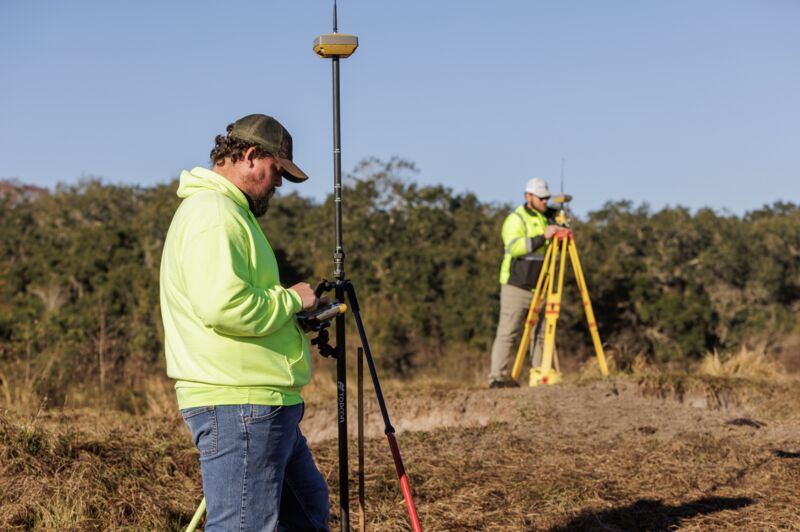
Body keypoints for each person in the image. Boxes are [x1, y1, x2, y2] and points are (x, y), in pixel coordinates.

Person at [160, 114, 329, 531]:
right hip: (240, 405)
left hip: (266, 404)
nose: (279, 184)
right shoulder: (215, 213)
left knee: (307, 510)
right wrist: (291, 299)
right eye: (277, 171)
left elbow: (238, 302)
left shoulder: (231, 213)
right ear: (252, 157)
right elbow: (223, 306)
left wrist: (291, 314)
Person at [488, 177, 561, 388]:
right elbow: (515, 248)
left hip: (541, 286)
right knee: (508, 331)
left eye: (547, 198)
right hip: (516, 285)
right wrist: (543, 236)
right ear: (528, 197)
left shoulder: (548, 218)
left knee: (540, 334)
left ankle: (539, 375)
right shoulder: (515, 219)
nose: (545, 202)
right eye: (541, 198)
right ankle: (497, 378)